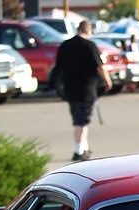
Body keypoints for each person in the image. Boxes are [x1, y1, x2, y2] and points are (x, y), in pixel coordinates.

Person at [54, 19, 112, 161]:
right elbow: (100, 66)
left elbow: (58, 67)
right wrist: (107, 81)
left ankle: (84, 147)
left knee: (77, 119)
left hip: (69, 89)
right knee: (82, 121)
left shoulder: (65, 45)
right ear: (88, 30)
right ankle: (78, 150)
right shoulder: (89, 46)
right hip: (86, 89)